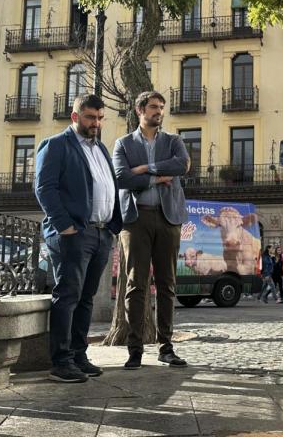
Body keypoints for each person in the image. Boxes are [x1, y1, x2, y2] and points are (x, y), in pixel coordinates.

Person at [35, 94, 123, 383]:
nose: (95, 123)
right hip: (74, 233)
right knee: (68, 295)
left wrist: (112, 226)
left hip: (100, 233)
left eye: (99, 118)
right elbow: (45, 189)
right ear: (75, 117)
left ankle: (78, 355)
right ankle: (61, 361)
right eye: (89, 117)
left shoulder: (100, 149)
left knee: (86, 298)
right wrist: (65, 226)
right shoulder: (57, 145)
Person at [113, 91, 190, 370]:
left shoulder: (173, 142)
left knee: (167, 284)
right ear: (139, 110)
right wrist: (158, 179)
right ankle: (135, 350)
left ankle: (166, 347)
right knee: (136, 284)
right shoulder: (123, 144)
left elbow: (181, 165)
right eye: (154, 107)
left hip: (168, 218)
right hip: (135, 220)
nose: (159, 112)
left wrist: (146, 169)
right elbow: (121, 177)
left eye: (161, 108)